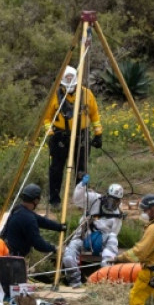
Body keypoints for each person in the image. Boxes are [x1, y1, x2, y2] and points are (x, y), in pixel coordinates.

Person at [43, 66, 103, 206]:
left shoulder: (87, 94)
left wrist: (98, 133)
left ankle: (80, 199)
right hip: (60, 137)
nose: (70, 87)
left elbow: (94, 115)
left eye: (73, 84)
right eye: (66, 85)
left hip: (81, 136)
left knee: (81, 169)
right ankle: (54, 200)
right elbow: (46, 119)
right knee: (56, 169)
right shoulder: (55, 96)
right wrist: (51, 133)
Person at [63, 174, 123, 288]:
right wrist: (82, 185)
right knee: (69, 256)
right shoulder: (95, 199)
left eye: (115, 201)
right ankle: (75, 282)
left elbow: (114, 232)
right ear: (106, 196)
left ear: (119, 201)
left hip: (102, 241)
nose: (111, 204)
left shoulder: (117, 215)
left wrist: (99, 239)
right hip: (85, 236)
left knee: (112, 242)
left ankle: (105, 279)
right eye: (110, 200)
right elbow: (77, 199)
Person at [0, 183, 66, 257]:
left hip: (4, 251)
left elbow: (42, 221)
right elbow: (38, 244)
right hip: (12, 258)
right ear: (36, 200)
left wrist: (60, 227)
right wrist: (55, 249)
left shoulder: (18, 209)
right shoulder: (28, 218)